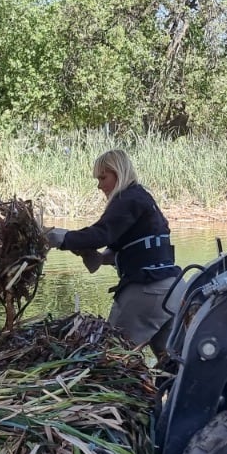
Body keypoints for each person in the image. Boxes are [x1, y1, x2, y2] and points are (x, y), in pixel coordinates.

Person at [45, 149, 182, 362]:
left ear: (118, 172)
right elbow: (138, 245)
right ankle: (167, 395)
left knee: (111, 358)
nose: (100, 185)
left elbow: (101, 234)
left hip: (147, 292)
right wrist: (101, 258)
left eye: (103, 177)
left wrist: (55, 237)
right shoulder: (143, 198)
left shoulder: (127, 199)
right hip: (172, 291)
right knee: (173, 364)